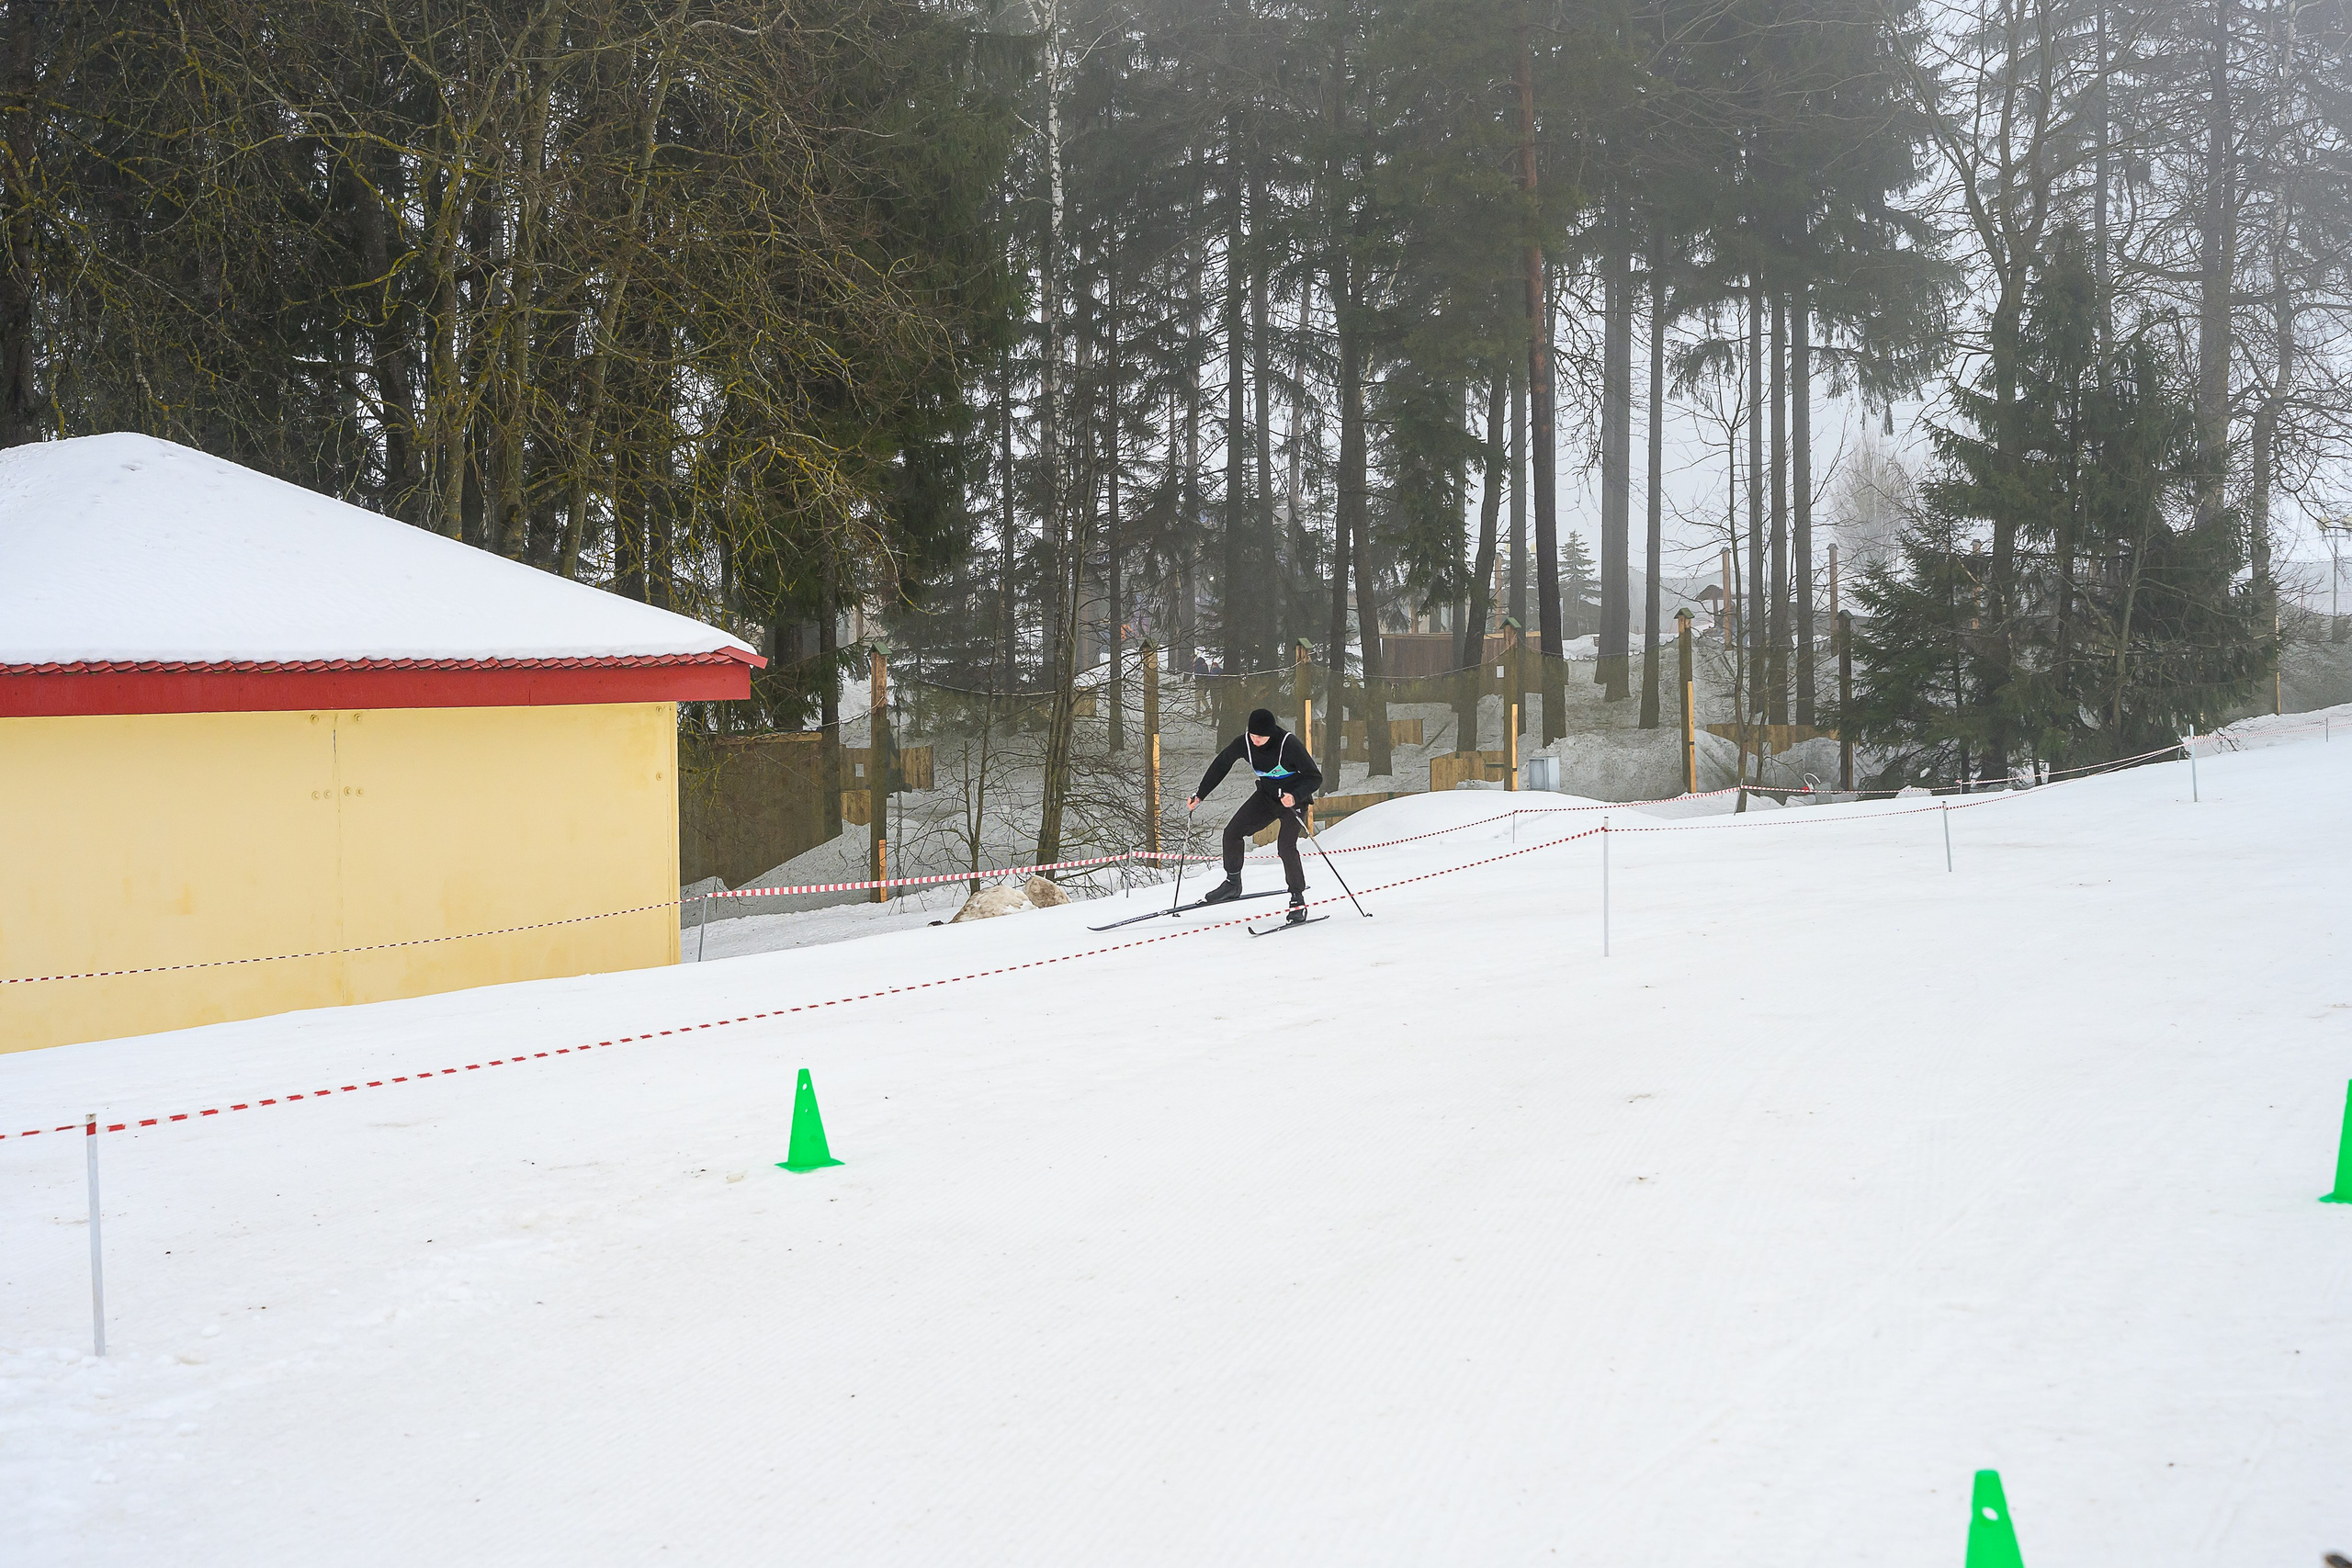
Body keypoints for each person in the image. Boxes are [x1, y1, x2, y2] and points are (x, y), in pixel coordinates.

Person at [1187, 706, 1323, 922]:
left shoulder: (1288, 744)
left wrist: (1295, 796)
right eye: (1253, 735)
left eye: (1261, 736)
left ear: (1271, 732)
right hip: (1267, 797)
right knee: (1232, 833)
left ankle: (1297, 899)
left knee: (1286, 847)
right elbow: (1221, 764)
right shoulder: (1245, 743)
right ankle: (1232, 883)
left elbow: (1315, 777)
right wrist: (1201, 794)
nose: (1256, 740)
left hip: (1292, 801)